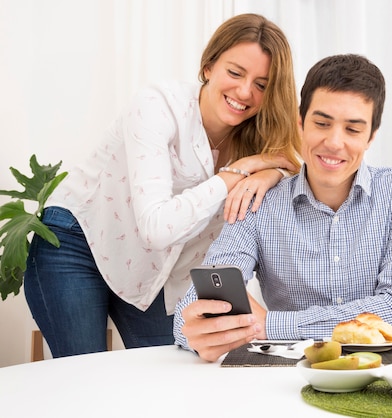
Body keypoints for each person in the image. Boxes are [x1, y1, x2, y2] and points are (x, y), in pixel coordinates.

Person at [23, 13, 301, 358]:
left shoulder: (261, 142)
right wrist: (237, 172)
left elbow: (293, 167)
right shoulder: (158, 105)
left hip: (154, 269)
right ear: (208, 66)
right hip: (79, 242)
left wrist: (268, 172)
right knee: (86, 376)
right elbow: (157, 227)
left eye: (261, 84)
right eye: (235, 72)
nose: (245, 91)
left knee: (172, 370)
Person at [174, 53, 392, 362]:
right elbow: (190, 310)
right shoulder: (260, 200)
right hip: (287, 379)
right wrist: (196, 330)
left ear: (371, 137)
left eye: (352, 130)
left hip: (379, 378)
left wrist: (271, 325)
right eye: (322, 123)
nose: (334, 142)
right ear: (300, 124)